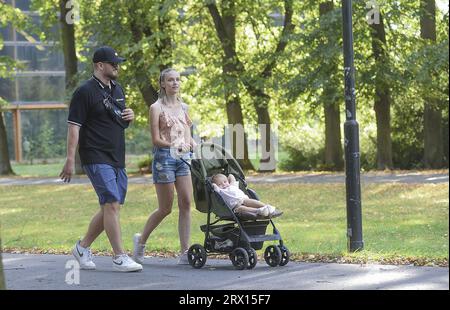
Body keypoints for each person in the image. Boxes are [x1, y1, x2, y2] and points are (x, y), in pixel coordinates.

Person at [60, 46, 142, 272]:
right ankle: (119, 257)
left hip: (117, 156)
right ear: (99, 65)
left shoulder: (118, 89)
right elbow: (73, 127)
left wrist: (130, 116)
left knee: (110, 206)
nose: (117, 66)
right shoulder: (84, 92)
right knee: (112, 203)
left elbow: (118, 119)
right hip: (95, 155)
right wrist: (70, 160)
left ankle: (81, 247)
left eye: (118, 63)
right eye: (113, 63)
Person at [133, 68, 195, 265]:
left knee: (186, 203)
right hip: (164, 159)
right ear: (162, 84)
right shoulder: (156, 108)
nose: (175, 83)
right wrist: (175, 145)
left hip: (183, 159)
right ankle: (141, 242)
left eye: (177, 80)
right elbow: (156, 139)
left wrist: (192, 143)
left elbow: (188, 135)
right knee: (165, 208)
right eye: (170, 80)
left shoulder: (184, 107)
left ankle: (185, 251)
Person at [211, 173, 283, 219]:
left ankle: (267, 207)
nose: (223, 184)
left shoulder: (232, 185)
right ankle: (259, 211)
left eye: (225, 182)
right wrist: (214, 184)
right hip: (236, 206)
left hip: (243, 199)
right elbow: (214, 186)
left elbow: (231, 176)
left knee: (252, 201)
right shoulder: (220, 191)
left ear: (227, 181)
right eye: (220, 184)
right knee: (241, 209)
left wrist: (228, 175)